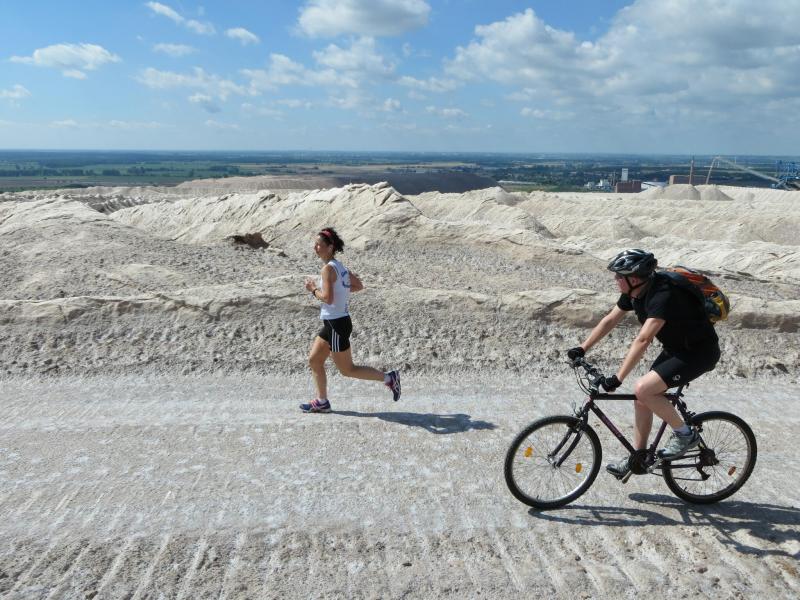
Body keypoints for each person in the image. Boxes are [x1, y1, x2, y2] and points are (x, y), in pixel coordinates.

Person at [567, 248, 721, 479]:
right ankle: (638, 458)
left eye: (619, 276)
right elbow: (610, 320)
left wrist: (618, 378)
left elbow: (643, 339)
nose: (615, 279)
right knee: (642, 399)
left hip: (699, 353)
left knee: (643, 389)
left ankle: (685, 434)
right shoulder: (635, 292)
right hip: (676, 350)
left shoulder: (663, 294)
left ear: (635, 278)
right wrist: (582, 348)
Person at [300, 227, 401, 413]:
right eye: (315, 244)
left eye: (319, 245)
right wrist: (341, 293)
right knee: (314, 360)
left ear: (330, 247)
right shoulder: (340, 266)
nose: (315, 248)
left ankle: (390, 378)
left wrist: (313, 289)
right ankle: (322, 402)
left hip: (336, 325)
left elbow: (327, 298)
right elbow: (358, 285)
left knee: (348, 370)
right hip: (334, 323)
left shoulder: (327, 269)